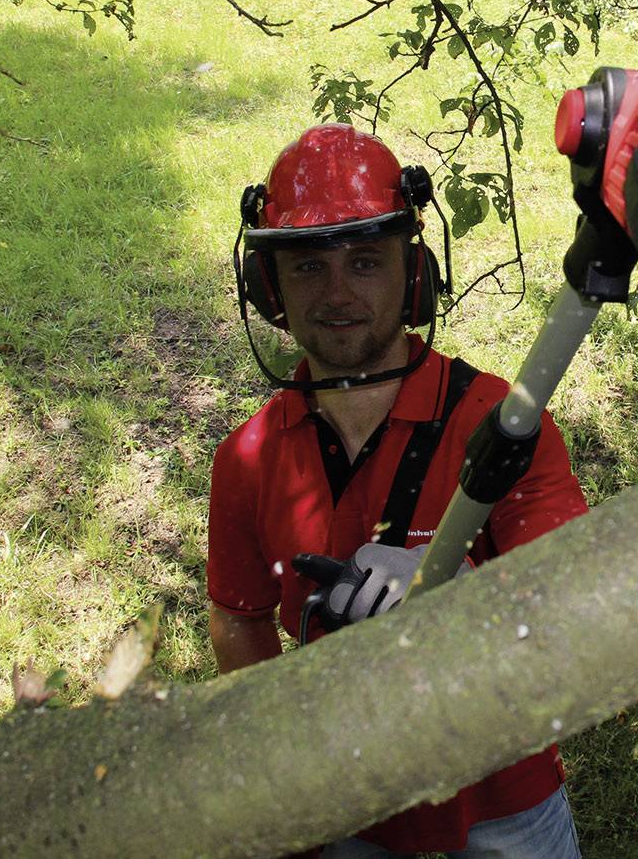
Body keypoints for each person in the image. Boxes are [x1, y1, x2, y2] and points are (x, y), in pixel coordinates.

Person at [207, 124, 588, 858]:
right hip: (344, 810)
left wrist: (454, 586)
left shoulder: (501, 426)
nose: (339, 294)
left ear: (414, 276)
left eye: (365, 262)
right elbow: (239, 616)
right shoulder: (247, 461)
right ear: (270, 289)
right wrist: (276, 754)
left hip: (501, 801)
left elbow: (574, 590)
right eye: (309, 268)